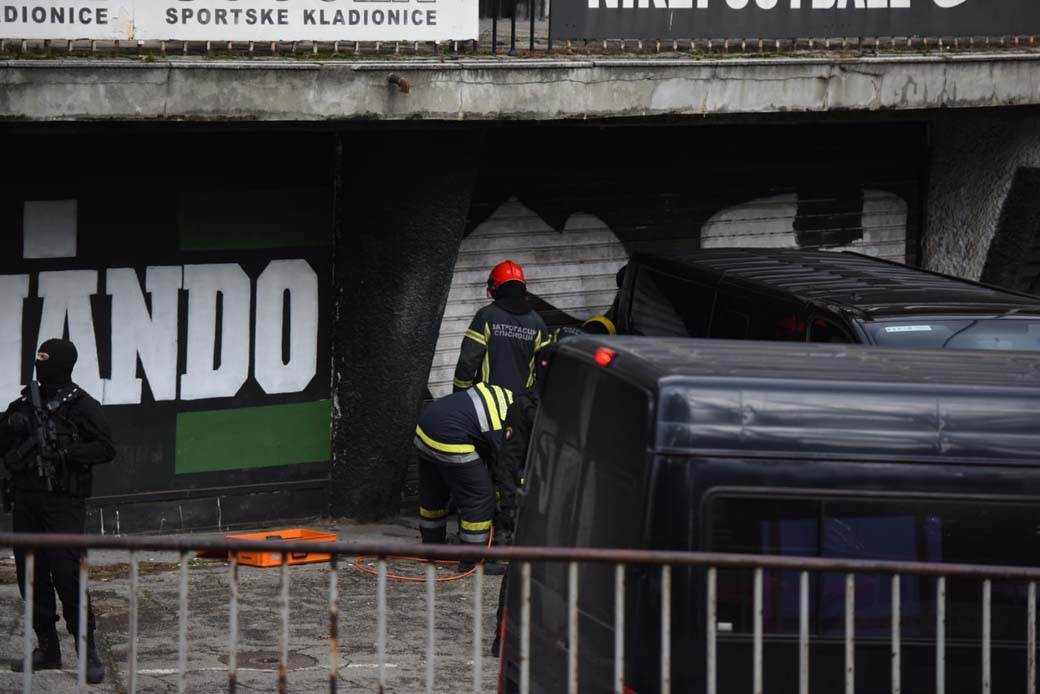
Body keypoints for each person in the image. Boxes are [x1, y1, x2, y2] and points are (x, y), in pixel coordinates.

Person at [0, 339, 116, 684]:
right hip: (26, 501)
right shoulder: (24, 403)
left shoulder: (82, 405)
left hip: (64, 502)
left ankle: (87, 650)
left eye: (46, 360)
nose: (40, 366)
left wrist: (66, 454)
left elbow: (106, 448)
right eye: (38, 360)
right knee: (31, 575)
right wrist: (10, 425)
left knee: (68, 575)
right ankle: (48, 647)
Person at [415, 382, 513, 574]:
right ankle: (472, 562)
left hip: (425, 427)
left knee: (435, 491)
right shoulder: (505, 425)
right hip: (450, 434)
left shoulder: (506, 397)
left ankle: (433, 547)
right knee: (480, 496)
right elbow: (506, 469)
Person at [453, 260, 549, 395]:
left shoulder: (486, 316)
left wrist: (459, 393)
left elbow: (467, 362)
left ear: (495, 287)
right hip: (522, 403)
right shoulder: (538, 323)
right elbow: (546, 367)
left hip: (487, 401)